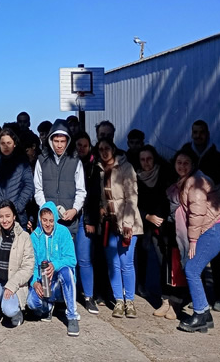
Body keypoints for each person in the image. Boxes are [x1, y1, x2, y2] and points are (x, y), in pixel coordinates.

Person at [173, 149, 220, 333]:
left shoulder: (195, 182)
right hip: (212, 229)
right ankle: (204, 314)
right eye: (179, 162)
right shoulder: (188, 180)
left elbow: (197, 213)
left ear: (193, 165)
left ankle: (200, 314)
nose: (181, 166)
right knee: (193, 268)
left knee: (192, 268)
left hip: (214, 230)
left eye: (186, 163)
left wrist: (193, 241)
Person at [180, 119, 220, 312]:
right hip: (193, 213)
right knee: (195, 258)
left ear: (207, 133)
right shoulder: (186, 152)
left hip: (211, 215)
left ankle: (219, 296)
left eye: (201, 132)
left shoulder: (218, 158)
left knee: (215, 258)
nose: (198, 135)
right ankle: (197, 296)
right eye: (195, 132)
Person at [96, 138, 143, 318]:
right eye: (100, 149)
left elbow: (132, 197)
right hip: (109, 223)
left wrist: (128, 224)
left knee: (126, 263)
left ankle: (129, 301)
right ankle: (119, 301)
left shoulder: (126, 167)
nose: (104, 152)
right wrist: (101, 207)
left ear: (113, 148)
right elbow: (102, 196)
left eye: (107, 148)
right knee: (113, 264)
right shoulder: (100, 169)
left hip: (127, 222)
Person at [136, 145, 181, 320]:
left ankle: (171, 300)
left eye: (149, 159)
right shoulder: (137, 177)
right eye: (142, 159)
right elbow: (135, 203)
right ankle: (163, 299)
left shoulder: (165, 174)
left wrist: (160, 217)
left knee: (166, 263)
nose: (146, 163)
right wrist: (147, 216)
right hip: (146, 223)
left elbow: (170, 199)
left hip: (165, 225)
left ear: (154, 159)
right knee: (145, 255)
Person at [0, 201, 34, 329]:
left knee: (9, 310)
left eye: (8, 216)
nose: (4, 220)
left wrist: (12, 285)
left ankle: (16, 311)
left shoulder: (24, 237)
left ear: (14, 216)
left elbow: (28, 266)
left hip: (15, 284)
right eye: (1, 216)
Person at [27, 202, 80, 337]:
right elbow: (31, 263)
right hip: (44, 282)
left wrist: (55, 265)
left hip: (60, 282)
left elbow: (72, 259)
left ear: (55, 219)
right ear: (40, 219)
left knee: (66, 270)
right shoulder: (34, 236)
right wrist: (34, 282)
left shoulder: (63, 232)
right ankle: (48, 307)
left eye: (51, 220)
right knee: (31, 302)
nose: (48, 224)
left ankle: (72, 316)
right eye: (44, 220)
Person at [33, 119, 87, 239]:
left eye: (62, 141)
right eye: (56, 141)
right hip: (46, 221)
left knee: (66, 256)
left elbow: (81, 190)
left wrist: (75, 209)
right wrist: (47, 210)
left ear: (68, 141)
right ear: (50, 140)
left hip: (69, 221)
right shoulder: (42, 160)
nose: (59, 145)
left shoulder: (75, 161)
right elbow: (38, 189)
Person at [0, 128, 34, 231]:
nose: (6, 146)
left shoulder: (22, 162)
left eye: (9, 143)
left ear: (14, 144)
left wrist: (17, 207)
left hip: (18, 217)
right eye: (3, 143)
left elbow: (29, 186)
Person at [73, 132, 103, 314]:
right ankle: (72, 294)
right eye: (78, 145)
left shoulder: (94, 167)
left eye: (85, 145)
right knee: (71, 258)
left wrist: (90, 220)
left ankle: (89, 296)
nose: (81, 148)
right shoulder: (69, 164)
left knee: (84, 258)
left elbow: (94, 197)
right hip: (70, 216)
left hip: (86, 216)